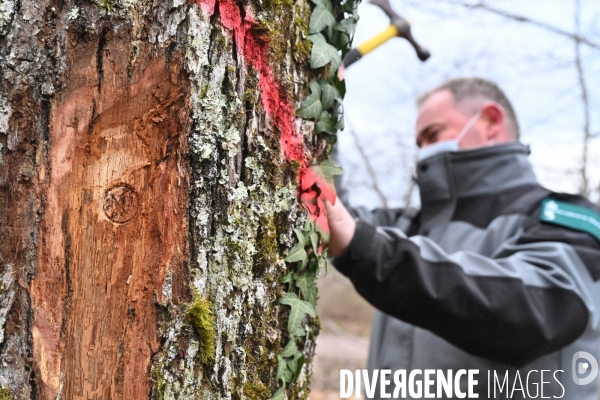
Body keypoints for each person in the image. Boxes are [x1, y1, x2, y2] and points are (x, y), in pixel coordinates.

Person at [325, 78, 600, 399]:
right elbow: (331, 206)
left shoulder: (561, 219)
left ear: (490, 121)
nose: (424, 151)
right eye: (419, 142)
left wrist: (373, 253)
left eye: (434, 134)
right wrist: (328, 92)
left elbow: (539, 310)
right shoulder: (410, 225)